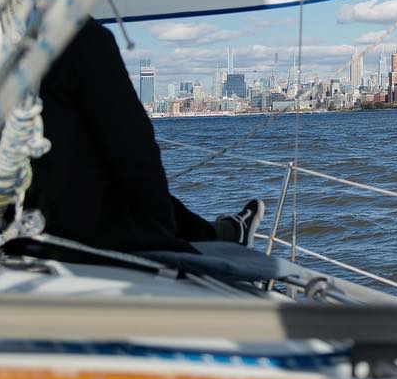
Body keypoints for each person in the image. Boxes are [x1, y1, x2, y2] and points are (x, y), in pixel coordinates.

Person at [25, 18, 263, 253]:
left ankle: (222, 232)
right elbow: (133, 146)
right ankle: (224, 234)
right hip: (78, 231)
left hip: (16, 219)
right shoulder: (75, 34)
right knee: (127, 192)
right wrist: (161, 231)